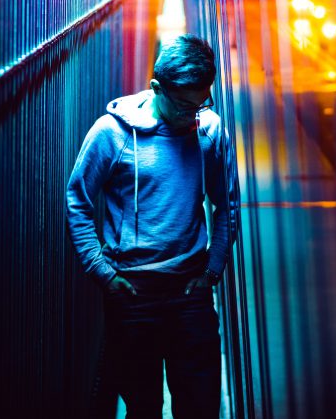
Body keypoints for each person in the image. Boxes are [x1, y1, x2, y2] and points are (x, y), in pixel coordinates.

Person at [66, 33, 238, 418]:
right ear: (157, 88)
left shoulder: (208, 131)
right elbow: (77, 200)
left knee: (200, 404)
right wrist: (102, 273)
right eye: (182, 105)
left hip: (191, 291)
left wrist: (213, 269)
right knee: (143, 405)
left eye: (200, 103)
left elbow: (226, 203)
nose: (191, 115)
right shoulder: (111, 134)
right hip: (132, 295)